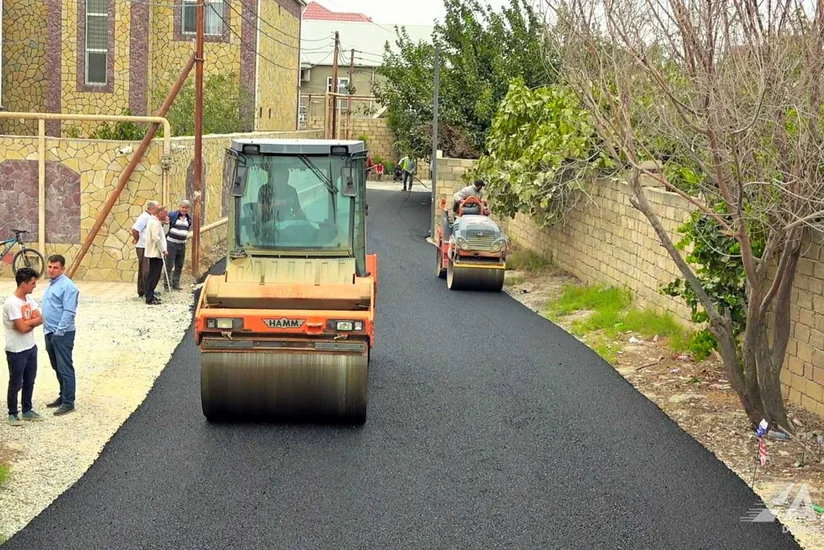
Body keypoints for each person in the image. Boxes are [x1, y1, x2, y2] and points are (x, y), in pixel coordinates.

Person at [4, 267, 44, 426]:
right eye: (32, 283)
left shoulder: (29, 299)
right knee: (16, 383)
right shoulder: (11, 304)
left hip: (30, 347)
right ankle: (13, 413)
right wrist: (27, 324)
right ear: (23, 284)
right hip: (16, 350)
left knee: (30, 380)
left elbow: (40, 319)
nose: (35, 286)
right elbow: (21, 329)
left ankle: (27, 409)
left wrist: (27, 323)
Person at [42, 254, 79, 416]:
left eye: (55, 267)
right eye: (49, 266)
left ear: (62, 269)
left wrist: (59, 332)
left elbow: (69, 312)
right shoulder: (52, 284)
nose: (51, 270)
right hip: (49, 332)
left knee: (65, 367)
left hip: (62, 334)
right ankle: (62, 395)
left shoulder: (68, 287)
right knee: (56, 366)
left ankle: (68, 402)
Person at [130, 200, 159, 299]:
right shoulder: (144, 217)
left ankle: (145, 290)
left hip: (147, 247)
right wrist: (137, 238)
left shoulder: (151, 217)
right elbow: (135, 229)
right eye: (157, 208)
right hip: (143, 247)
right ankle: (145, 291)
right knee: (145, 270)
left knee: (147, 269)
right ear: (152, 208)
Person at [144, 205, 168, 306]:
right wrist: (163, 250)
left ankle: (150, 294)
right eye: (165, 213)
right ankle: (149, 297)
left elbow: (163, 234)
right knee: (154, 275)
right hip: (155, 252)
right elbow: (156, 237)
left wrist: (167, 224)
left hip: (156, 252)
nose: (166, 215)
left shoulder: (156, 222)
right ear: (160, 213)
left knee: (154, 275)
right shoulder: (154, 222)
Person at [165, 199, 191, 291]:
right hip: (171, 243)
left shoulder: (188, 218)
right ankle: (167, 284)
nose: (184, 209)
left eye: (186, 208)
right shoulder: (173, 215)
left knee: (179, 265)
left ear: (188, 209)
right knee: (169, 264)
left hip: (182, 244)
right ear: (179, 207)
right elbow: (166, 226)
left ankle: (176, 284)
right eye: (183, 207)